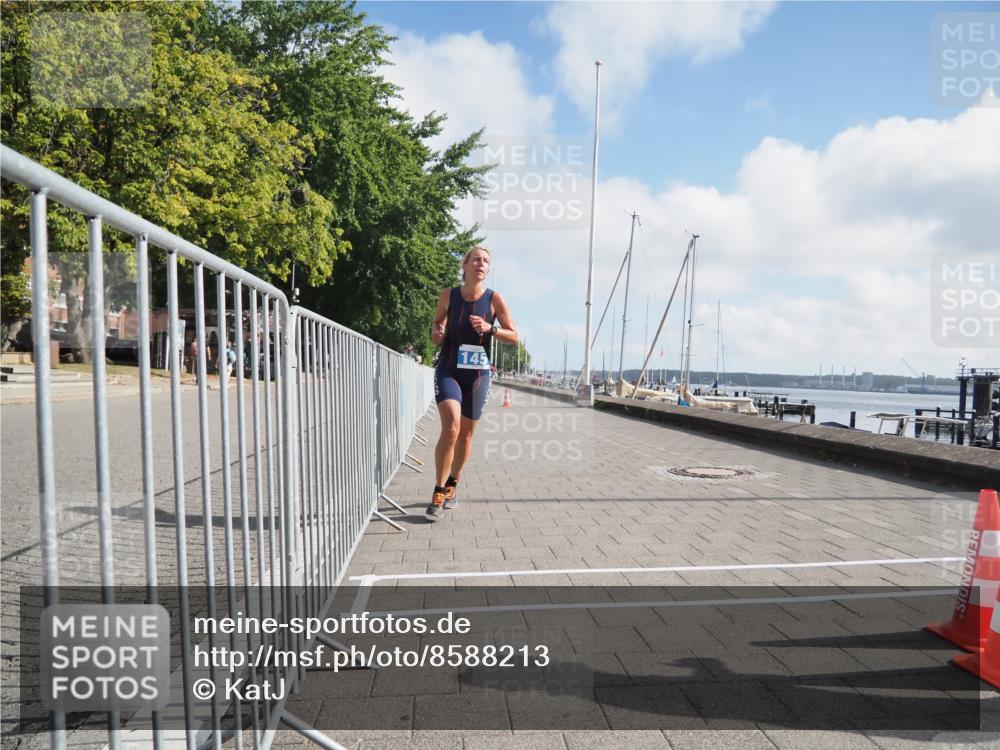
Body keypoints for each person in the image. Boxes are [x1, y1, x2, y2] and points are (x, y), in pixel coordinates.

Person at [426, 246, 518, 521]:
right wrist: (437, 330)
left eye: (486, 261)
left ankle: (453, 482)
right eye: (476, 259)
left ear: (488, 270)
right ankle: (438, 491)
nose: (481, 263)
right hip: (449, 370)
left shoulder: (494, 299)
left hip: (478, 375)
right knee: (451, 426)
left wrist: (491, 328)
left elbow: (514, 336)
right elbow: (435, 330)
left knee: (466, 434)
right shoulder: (449, 295)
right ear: (465, 265)